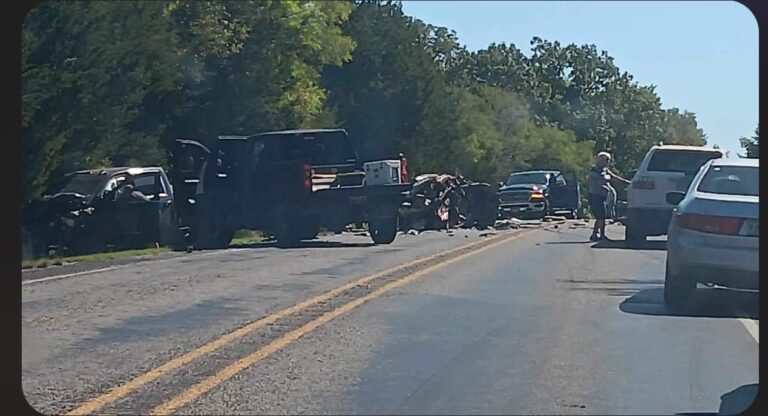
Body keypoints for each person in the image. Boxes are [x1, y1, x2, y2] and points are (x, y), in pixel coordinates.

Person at [587, 151, 630, 241]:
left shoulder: (605, 170)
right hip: (595, 195)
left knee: (600, 217)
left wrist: (626, 182)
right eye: (606, 160)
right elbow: (594, 181)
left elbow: (613, 177)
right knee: (601, 216)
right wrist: (605, 186)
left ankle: (595, 235)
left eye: (608, 160)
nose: (607, 162)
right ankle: (601, 235)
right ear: (600, 159)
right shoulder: (595, 170)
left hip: (602, 196)